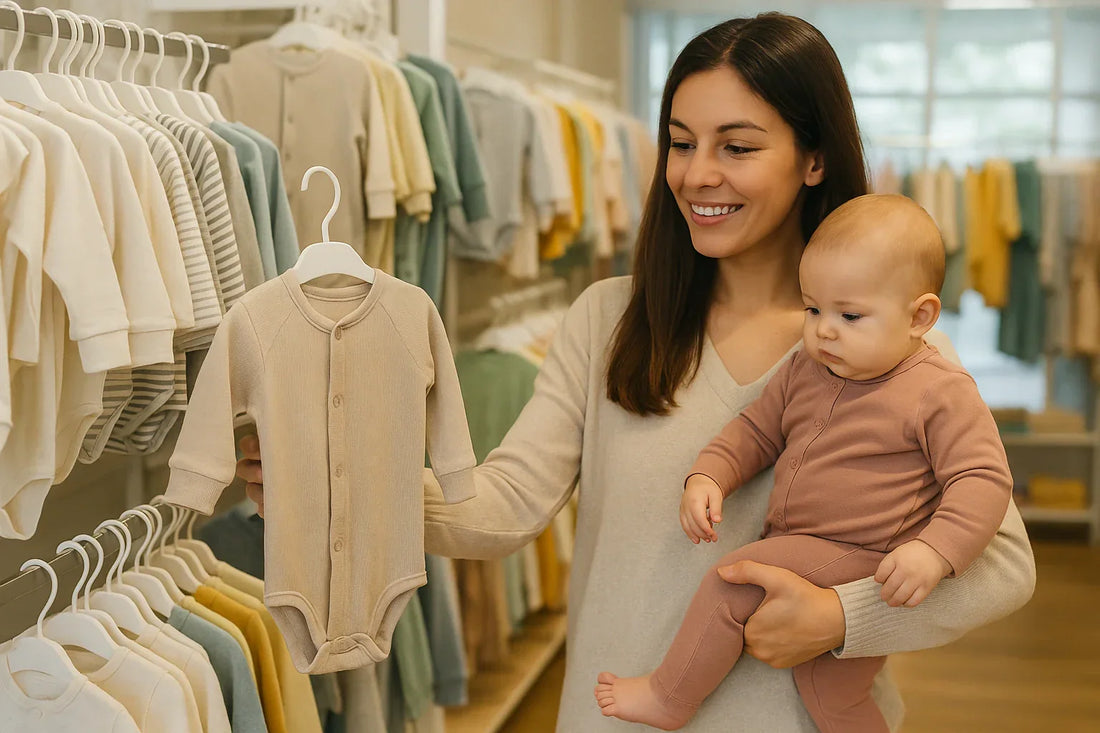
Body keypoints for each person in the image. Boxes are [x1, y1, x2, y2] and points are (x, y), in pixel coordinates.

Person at [236, 13, 1035, 731]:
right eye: (681, 143)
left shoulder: (898, 355)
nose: (696, 174)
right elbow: (510, 502)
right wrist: (345, 484)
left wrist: (842, 617)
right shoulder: (608, 320)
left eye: (738, 146)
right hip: (614, 714)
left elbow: (1001, 566)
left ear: (815, 158)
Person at [594, 194, 1013, 731]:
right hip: (818, 551)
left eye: (850, 315)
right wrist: (709, 473)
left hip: (862, 555)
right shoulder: (805, 369)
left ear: (920, 316)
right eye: (812, 308)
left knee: (734, 582)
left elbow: (981, 478)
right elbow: (755, 430)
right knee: (835, 701)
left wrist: (934, 552)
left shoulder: (940, 390)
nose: (824, 330)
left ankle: (668, 697)